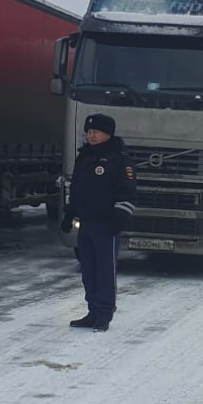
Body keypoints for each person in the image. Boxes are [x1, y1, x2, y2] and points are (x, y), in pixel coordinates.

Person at [60, 113, 138, 332]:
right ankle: (92, 311)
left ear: (108, 134)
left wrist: (119, 218)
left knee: (104, 271)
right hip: (86, 223)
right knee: (88, 270)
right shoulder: (84, 157)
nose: (91, 136)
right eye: (89, 132)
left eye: (96, 132)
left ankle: (104, 314)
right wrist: (69, 214)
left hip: (106, 225)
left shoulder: (119, 160)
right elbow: (77, 189)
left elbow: (128, 192)